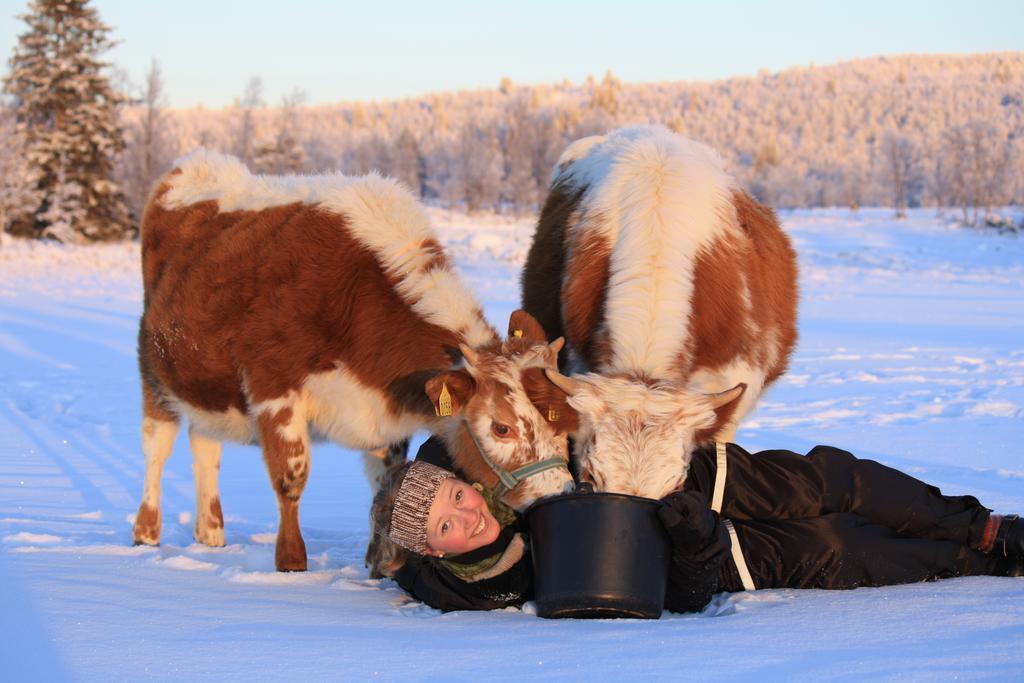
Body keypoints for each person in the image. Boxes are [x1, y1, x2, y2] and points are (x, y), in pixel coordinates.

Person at [369, 437, 1024, 613]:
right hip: (726, 549)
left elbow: (456, 437)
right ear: (432, 549)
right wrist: (694, 537)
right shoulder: (490, 585)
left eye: (457, 496)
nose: (468, 513)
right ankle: (990, 565)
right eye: (448, 525)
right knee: (848, 546)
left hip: (702, 476)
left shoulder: (495, 473)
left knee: (834, 476)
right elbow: (672, 595)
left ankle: (984, 529)